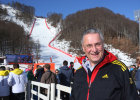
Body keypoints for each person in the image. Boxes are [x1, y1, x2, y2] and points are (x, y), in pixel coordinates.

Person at [70, 28, 139, 100]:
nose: (94, 50)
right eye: (89, 45)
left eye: (97, 44)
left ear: (103, 45)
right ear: (83, 48)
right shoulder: (79, 72)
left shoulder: (119, 69)